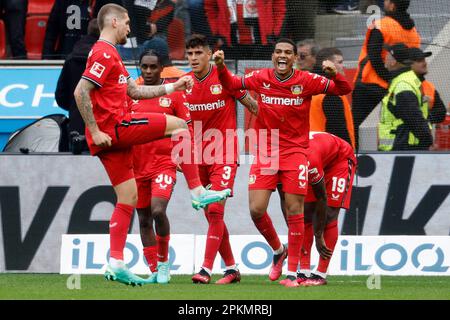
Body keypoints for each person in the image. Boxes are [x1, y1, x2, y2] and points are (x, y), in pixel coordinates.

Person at [74, 4, 231, 287]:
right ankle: (197, 192)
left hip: (110, 140)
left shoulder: (113, 56)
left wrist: (173, 87)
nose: (129, 29)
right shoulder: (103, 52)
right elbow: (80, 90)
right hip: (115, 129)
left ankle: (116, 262)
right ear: (112, 22)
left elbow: (134, 91)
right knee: (180, 126)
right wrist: (95, 130)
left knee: (127, 199)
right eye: (125, 23)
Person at [214, 38, 352, 287]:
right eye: (278, 51)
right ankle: (279, 249)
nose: (282, 56)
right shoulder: (261, 77)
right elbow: (232, 84)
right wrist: (222, 67)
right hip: (266, 151)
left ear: (295, 58)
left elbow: (343, 90)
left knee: (294, 211)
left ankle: (293, 273)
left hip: (295, 152)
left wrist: (336, 73)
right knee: (256, 210)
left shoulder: (308, 81)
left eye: (288, 52)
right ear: (273, 56)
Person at [184, 34, 258, 284]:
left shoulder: (223, 78)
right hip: (197, 156)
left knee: (215, 210)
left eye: (198, 53)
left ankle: (205, 269)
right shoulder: (184, 83)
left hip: (224, 153)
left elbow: (253, 106)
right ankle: (232, 268)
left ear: (208, 54)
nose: (193, 58)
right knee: (211, 215)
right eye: (190, 54)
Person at [130, 49, 192, 284]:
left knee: (158, 211)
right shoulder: (132, 95)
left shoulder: (174, 95)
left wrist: (179, 156)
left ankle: (164, 264)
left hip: (164, 163)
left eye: (152, 67)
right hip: (136, 166)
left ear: (161, 69)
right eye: (144, 67)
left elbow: (186, 128)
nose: (148, 71)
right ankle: (154, 268)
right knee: (144, 219)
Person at [352, 0, 420, 149]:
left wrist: (388, 78)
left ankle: (356, 165)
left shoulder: (381, 25)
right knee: (388, 129)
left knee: (358, 130)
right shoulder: (413, 30)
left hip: (369, 85)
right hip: (396, 88)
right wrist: (393, 81)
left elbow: (374, 56)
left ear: (392, 5)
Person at [297, 131, 357, 286]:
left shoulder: (309, 159)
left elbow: (322, 198)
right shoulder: (283, 158)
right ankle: (303, 271)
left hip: (340, 159)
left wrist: (318, 237)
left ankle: (320, 273)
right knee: (305, 213)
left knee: (330, 213)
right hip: (321, 157)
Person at [55, 18, 100, 153]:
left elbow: (60, 95)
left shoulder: (71, 58)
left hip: (76, 124)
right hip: (101, 126)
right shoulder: (108, 58)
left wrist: (75, 106)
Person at [378, 43, 432, 151]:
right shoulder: (405, 79)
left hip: (402, 148)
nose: (385, 60)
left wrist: (427, 142)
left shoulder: (402, 85)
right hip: (401, 146)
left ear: (393, 62)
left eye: (387, 56)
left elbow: (414, 118)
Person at [310, 47, 356, 149]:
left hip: (311, 148)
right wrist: (348, 151)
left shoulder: (310, 86)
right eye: (339, 62)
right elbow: (338, 128)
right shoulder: (331, 92)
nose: (342, 66)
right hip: (329, 151)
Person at [409, 48, 447, 125]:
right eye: (419, 61)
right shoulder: (402, 84)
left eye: (424, 60)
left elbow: (441, 113)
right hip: (401, 136)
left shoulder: (429, 86)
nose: (425, 63)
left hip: (423, 135)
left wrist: (425, 116)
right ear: (409, 64)